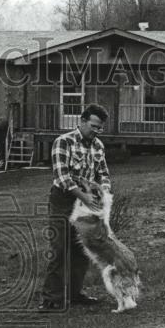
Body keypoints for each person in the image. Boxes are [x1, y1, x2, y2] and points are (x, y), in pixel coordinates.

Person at [39, 104, 112, 310]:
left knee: (81, 250)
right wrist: (84, 196)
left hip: (86, 201)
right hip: (64, 199)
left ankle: (74, 293)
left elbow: (103, 174)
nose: (96, 131)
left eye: (100, 128)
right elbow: (62, 176)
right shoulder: (63, 142)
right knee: (60, 248)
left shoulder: (98, 146)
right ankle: (52, 298)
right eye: (93, 126)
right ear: (82, 121)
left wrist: (101, 192)